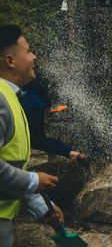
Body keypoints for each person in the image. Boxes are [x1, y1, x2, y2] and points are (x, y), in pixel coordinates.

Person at [0, 25, 63, 247]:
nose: (34, 56)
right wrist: (34, 181)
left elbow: (11, 163)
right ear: (10, 60)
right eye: (28, 51)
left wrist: (38, 205)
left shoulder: (11, 97)